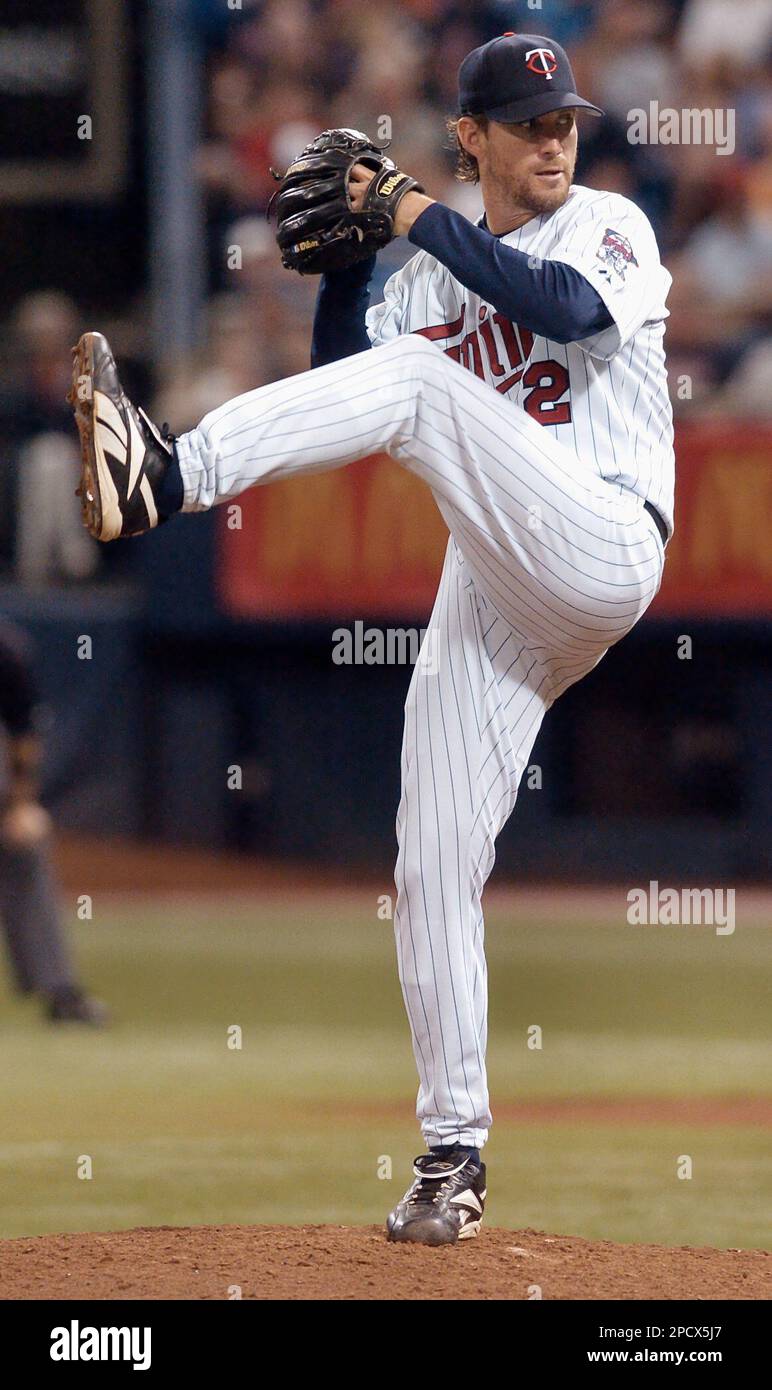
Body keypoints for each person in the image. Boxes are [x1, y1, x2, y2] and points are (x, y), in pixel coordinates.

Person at [68, 33, 673, 1244]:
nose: (556, 138)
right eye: (528, 121)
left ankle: (166, 472)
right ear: (473, 136)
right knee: (430, 858)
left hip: (605, 538)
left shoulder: (609, 226)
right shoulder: (434, 262)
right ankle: (454, 1154)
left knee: (420, 383)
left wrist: (403, 211)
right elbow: (347, 380)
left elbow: (550, 307)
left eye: (564, 120)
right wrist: (349, 267)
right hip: (503, 575)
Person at [0, 622, 106, 1025]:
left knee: (26, 853)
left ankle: (60, 992)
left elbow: (23, 734)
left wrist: (21, 806)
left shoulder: (6, 650)